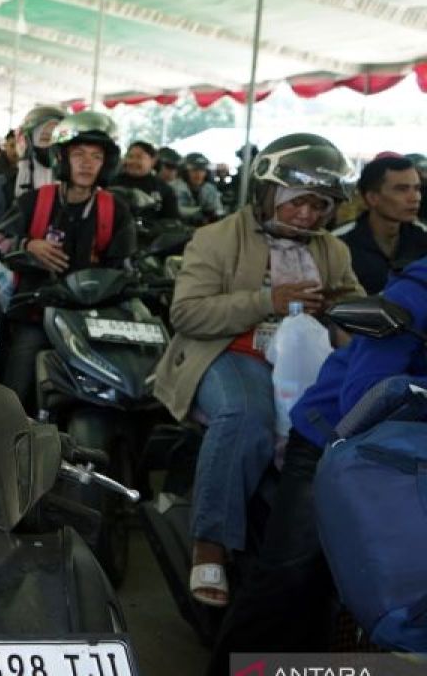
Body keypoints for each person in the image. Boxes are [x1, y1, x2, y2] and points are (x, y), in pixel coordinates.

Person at [153, 133, 362, 610]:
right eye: (297, 203)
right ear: (269, 194)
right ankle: (210, 542)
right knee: (247, 418)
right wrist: (268, 301)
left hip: (305, 359)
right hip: (227, 352)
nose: (307, 216)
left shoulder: (332, 251)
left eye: (319, 206)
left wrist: (338, 307)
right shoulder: (218, 237)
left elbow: (352, 297)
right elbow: (186, 314)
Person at [210, 255, 427, 668]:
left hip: (410, 453)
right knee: (287, 580)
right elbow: (362, 396)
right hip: (336, 441)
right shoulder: (417, 292)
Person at [0, 111, 136, 413]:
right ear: (62, 157)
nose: (87, 163)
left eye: (96, 156)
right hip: (36, 314)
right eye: (79, 154)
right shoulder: (35, 200)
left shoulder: (116, 210)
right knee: (14, 393)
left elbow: (124, 267)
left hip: (91, 319)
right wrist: (27, 245)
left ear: (106, 163)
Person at [0, 105, 65, 303]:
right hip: (13, 283)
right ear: (28, 141)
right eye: (46, 138)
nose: (52, 147)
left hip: (65, 287)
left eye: (59, 139)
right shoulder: (6, 185)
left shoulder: (75, 188)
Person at [335, 155, 427, 295]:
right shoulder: (338, 244)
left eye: (417, 188)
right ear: (372, 198)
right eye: (401, 189)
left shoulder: (423, 237)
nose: (415, 198)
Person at [109, 140, 179, 220]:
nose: (133, 161)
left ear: (153, 161)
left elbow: (172, 220)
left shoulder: (164, 189)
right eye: (130, 157)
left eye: (139, 157)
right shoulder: (112, 182)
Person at [173, 152, 226, 224]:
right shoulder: (174, 187)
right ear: (185, 172)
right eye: (194, 170)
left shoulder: (210, 189)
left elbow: (218, 210)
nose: (198, 174)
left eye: (202, 170)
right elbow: (177, 210)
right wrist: (201, 213)